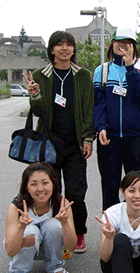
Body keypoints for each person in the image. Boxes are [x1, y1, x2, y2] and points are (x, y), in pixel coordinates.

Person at [22, 31, 95, 253]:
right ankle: (52, 233)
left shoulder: (83, 75)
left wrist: (88, 138)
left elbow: (88, 109)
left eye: (69, 44)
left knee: (75, 192)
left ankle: (78, 232)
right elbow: (38, 111)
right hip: (49, 143)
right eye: (59, 44)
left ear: (73, 49)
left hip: (74, 144)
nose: (65, 48)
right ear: (51, 49)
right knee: (50, 190)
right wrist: (34, 95)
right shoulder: (41, 75)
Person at [93, 28, 140, 211]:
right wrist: (101, 126)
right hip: (109, 138)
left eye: (128, 42)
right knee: (110, 185)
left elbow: (137, 96)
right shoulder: (102, 70)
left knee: (136, 187)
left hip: (135, 137)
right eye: (119, 41)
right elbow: (99, 103)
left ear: (134, 46)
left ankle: (137, 228)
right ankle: (110, 231)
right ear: (112, 44)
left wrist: (129, 68)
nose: (123, 45)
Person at [4, 162, 77, 273]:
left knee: (54, 226)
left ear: (53, 184)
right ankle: (18, 271)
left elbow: (72, 246)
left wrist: (64, 224)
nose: (40, 189)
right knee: (30, 231)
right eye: (33, 184)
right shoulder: (17, 207)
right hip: (22, 245)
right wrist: (21, 227)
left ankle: (55, 266)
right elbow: (10, 251)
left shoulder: (62, 204)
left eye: (45, 183)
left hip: (49, 246)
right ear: (26, 187)